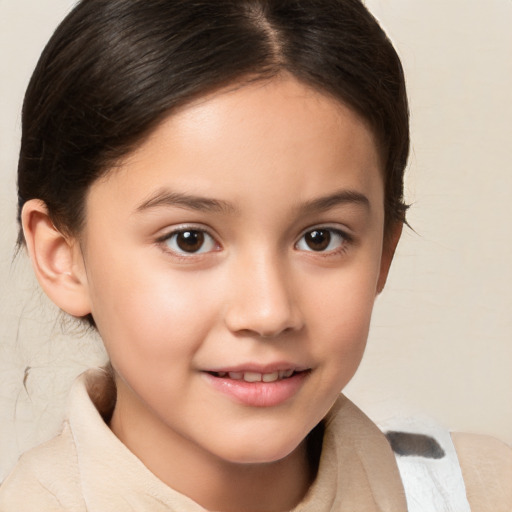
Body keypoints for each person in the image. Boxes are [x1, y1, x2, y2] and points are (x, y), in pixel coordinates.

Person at [0, 0, 510, 510]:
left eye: (320, 238)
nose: (268, 313)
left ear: (383, 251)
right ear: (63, 256)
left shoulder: (479, 494)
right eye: (189, 239)